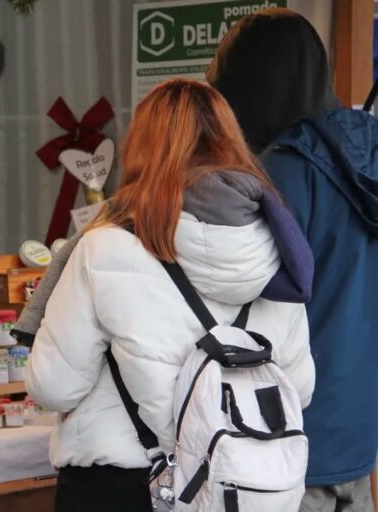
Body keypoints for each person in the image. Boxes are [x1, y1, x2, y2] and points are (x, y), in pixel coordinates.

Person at [25, 78, 315, 511]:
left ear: (140, 148)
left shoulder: (103, 246)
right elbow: (300, 388)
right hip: (234, 489)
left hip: (120, 486)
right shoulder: (275, 254)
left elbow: (54, 386)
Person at [206, 9, 377, 511]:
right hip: (358, 433)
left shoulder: (281, 174)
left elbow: (233, 299)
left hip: (285, 436)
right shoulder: (365, 158)